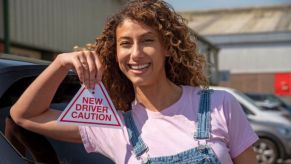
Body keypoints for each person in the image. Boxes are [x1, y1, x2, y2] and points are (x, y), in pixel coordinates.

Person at [10, 0, 258, 163]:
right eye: (125, 43)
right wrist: (60, 63)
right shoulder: (113, 127)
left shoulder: (219, 104)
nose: (136, 53)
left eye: (148, 40)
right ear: (115, 53)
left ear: (167, 48)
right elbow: (24, 116)